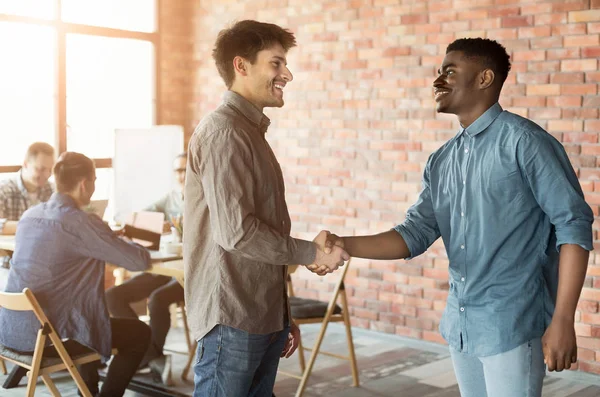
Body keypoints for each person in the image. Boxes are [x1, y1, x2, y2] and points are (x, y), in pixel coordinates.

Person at [315, 38, 593, 397]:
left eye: (449, 71)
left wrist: (563, 320)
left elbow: (573, 227)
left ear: (484, 78)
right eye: (438, 72)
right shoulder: (441, 160)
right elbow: (414, 233)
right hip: (460, 324)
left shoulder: (525, 143)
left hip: (512, 323)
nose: (437, 81)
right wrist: (343, 244)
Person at [184, 20, 348, 397]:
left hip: (259, 317)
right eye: (276, 63)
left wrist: (280, 315)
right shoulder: (225, 133)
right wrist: (310, 251)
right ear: (242, 66)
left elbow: (257, 232)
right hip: (233, 319)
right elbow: (238, 233)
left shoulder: (248, 132)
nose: (287, 74)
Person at [0, 152, 152, 397]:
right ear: (85, 184)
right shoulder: (81, 223)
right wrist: (114, 237)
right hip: (49, 341)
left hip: (11, 333)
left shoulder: (30, 216)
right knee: (138, 333)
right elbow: (139, 261)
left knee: (80, 314)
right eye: (94, 179)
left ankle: (88, 391)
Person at [105, 152, 188, 386]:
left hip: (190, 273)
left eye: (185, 169)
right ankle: (151, 355)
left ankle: (144, 355)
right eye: (178, 171)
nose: (181, 175)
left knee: (157, 299)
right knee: (113, 295)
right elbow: (141, 216)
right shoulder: (171, 197)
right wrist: (150, 223)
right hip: (165, 266)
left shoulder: (203, 196)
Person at [0, 142, 55, 273]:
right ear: (25, 164)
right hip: (9, 266)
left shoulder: (51, 190)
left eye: (49, 170)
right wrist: (30, 225)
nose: (46, 174)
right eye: (40, 169)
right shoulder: (4, 190)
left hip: (45, 264)